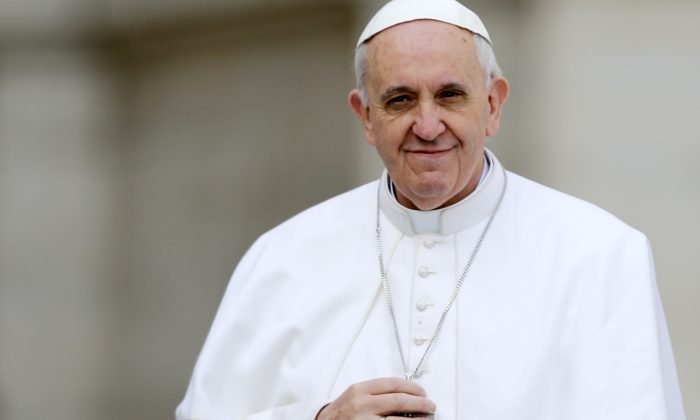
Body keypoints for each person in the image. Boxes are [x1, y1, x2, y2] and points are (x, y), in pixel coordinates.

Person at [176, 0, 686, 418]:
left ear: (492, 105)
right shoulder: (281, 258)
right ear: (365, 116)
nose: (427, 124)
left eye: (450, 96)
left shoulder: (599, 254)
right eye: (399, 100)